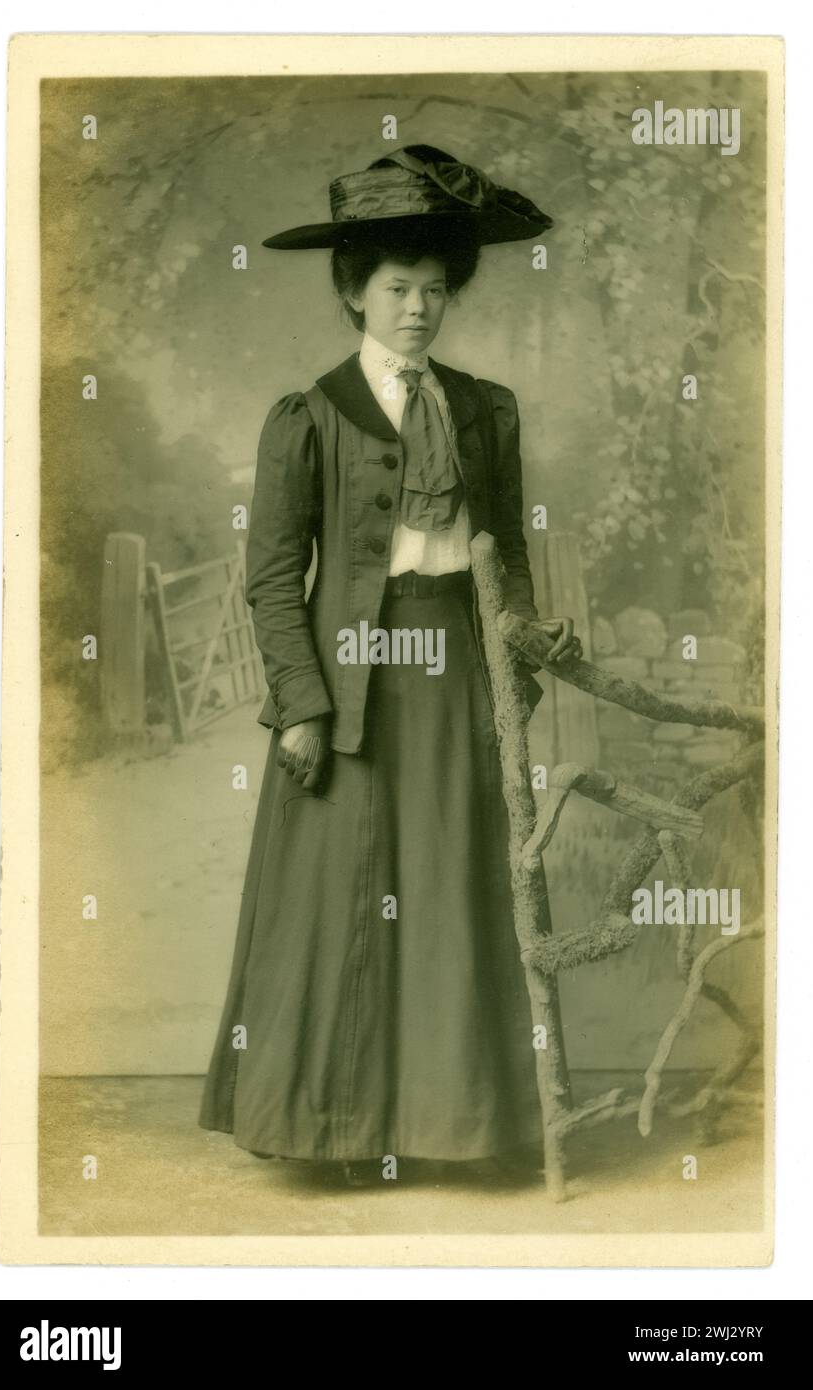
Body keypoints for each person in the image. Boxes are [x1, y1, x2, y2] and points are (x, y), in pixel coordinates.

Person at [198, 145, 582, 1187]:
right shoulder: (308, 415)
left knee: (453, 881)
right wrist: (303, 708)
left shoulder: (484, 409)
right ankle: (329, 1127)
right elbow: (274, 580)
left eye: (435, 290)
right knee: (344, 892)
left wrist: (523, 668)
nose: (419, 310)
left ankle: (456, 1126)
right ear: (352, 294)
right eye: (397, 289)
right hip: (351, 679)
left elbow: (506, 556)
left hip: (459, 665)